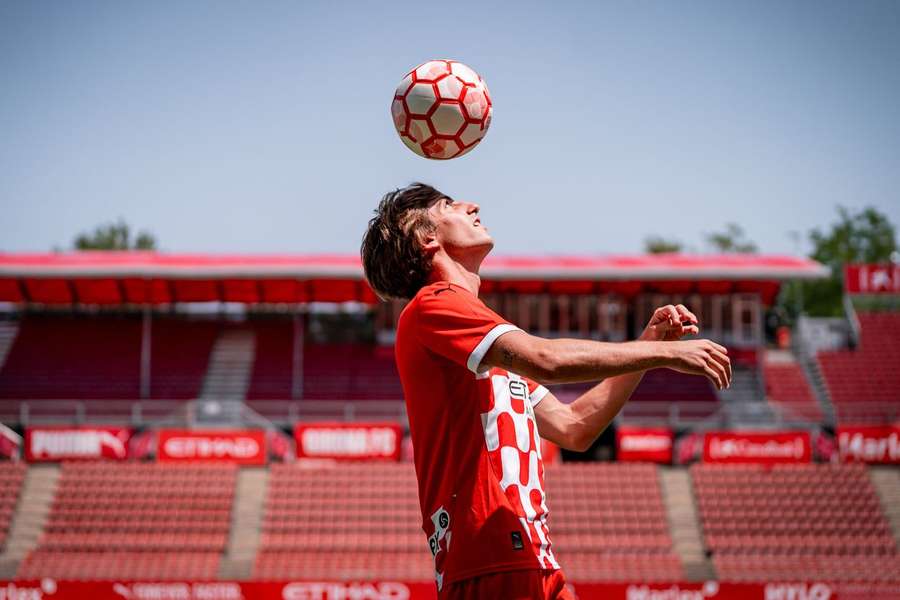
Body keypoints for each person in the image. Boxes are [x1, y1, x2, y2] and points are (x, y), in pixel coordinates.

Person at [360, 183, 731, 600]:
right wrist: (659, 356)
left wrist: (652, 344)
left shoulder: (481, 345)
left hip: (532, 558)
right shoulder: (433, 305)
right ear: (425, 238)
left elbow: (576, 426)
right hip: (489, 554)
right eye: (449, 205)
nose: (472, 205)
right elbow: (546, 359)